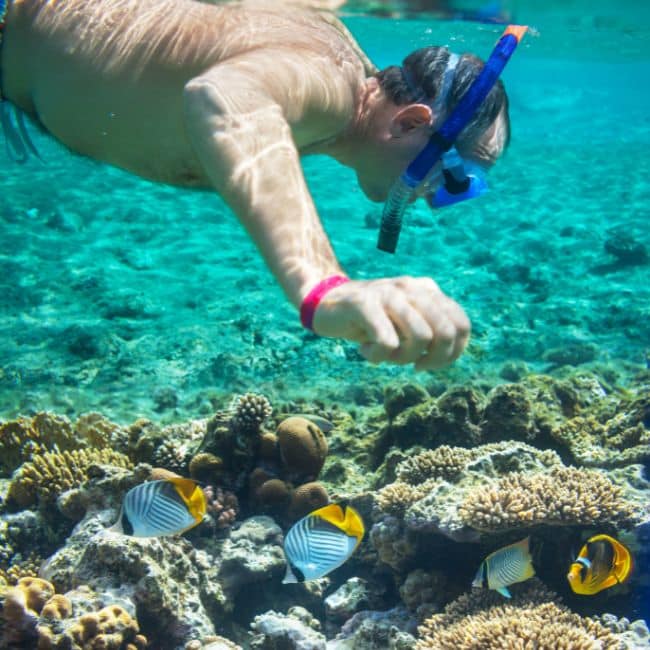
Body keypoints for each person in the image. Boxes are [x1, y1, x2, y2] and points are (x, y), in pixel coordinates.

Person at [0, 0, 512, 371]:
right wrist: (322, 289)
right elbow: (222, 96)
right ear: (408, 123)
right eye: (458, 176)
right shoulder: (332, 88)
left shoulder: (332, 92)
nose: (441, 198)